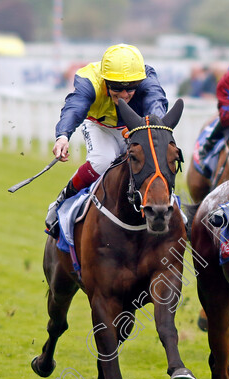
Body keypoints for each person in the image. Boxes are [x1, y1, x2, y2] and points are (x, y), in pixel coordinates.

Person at [44, 44, 168, 237]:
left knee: (153, 159)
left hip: (133, 126)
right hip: (99, 126)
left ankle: (173, 209)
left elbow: (156, 102)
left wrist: (154, 129)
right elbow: (74, 108)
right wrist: (63, 136)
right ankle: (62, 200)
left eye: (131, 89)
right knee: (102, 162)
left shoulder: (145, 77)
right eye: (117, 89)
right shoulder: (90, 80)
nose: (125, 95)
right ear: (105, 81)